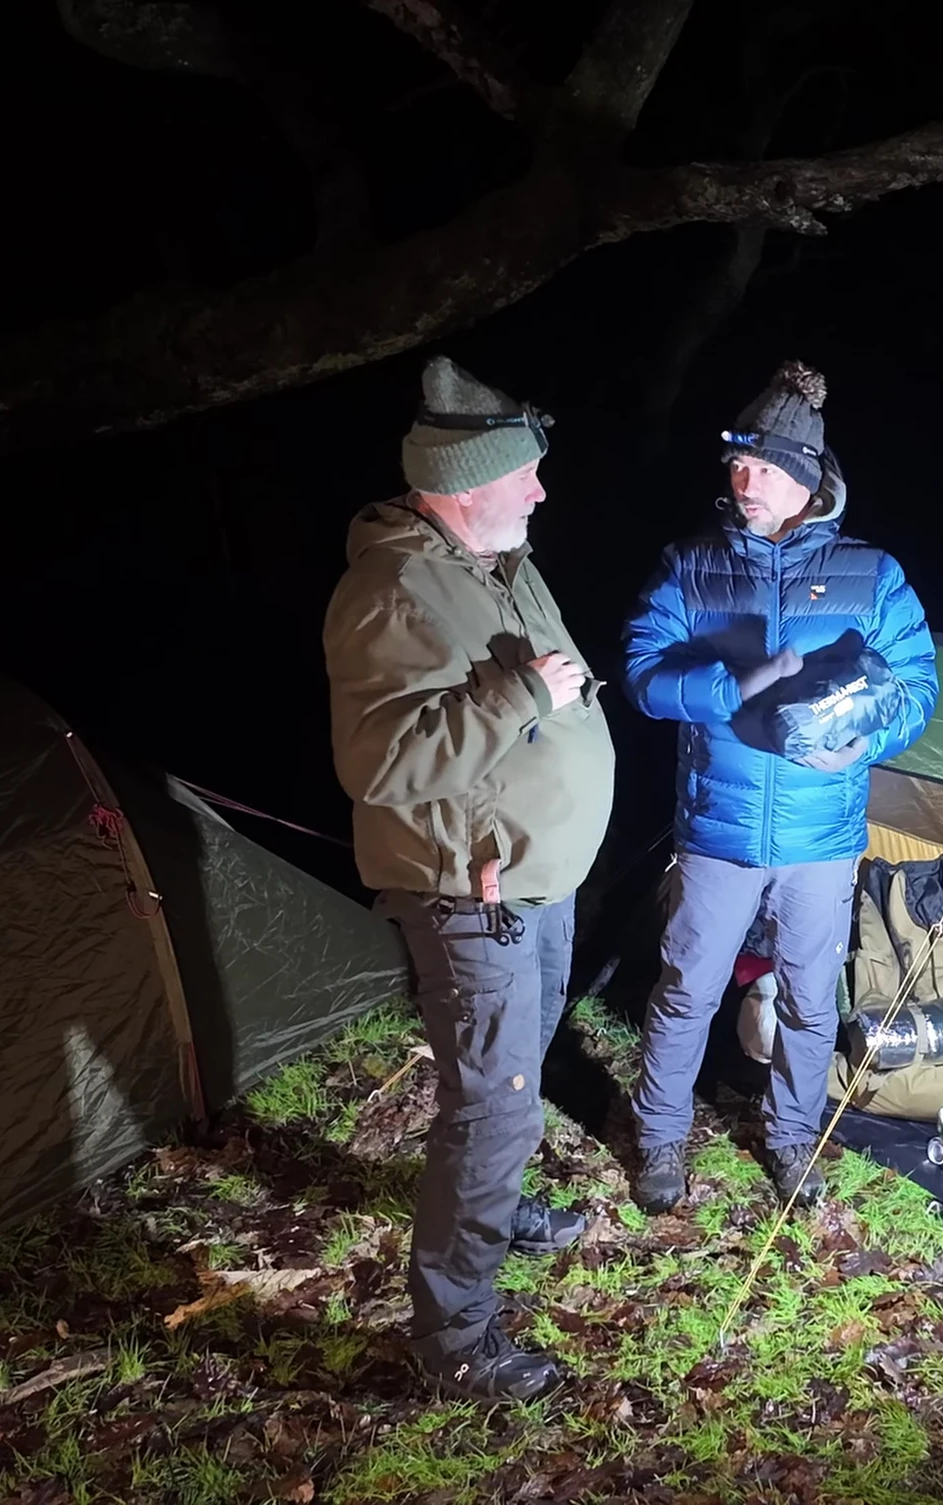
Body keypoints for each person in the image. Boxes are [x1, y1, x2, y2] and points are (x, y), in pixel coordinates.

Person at [321, 355, 615, 1404]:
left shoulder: (495, 557)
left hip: (537, 878)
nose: (541, 491)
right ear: (460, 485)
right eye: (524, 476)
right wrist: (514, 695)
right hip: (467, 892)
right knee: (490, 1106)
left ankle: (501, 1203)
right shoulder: (390, 589)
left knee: (516, 1077)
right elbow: (381, 767)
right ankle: (454, 1342)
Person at [620, 359, 938, 1213]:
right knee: (686, 989)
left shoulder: (872, 575)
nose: (740, 480)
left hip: (821, 838)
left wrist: (862, 738)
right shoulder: (689, 566)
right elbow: (642, 673)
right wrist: (730, 688)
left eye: (761, 467)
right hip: (717, 832)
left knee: (808, 996)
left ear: (803, 478)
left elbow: (917, 689)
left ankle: (792, 1136)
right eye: (735, 465)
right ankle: (657, 1139)